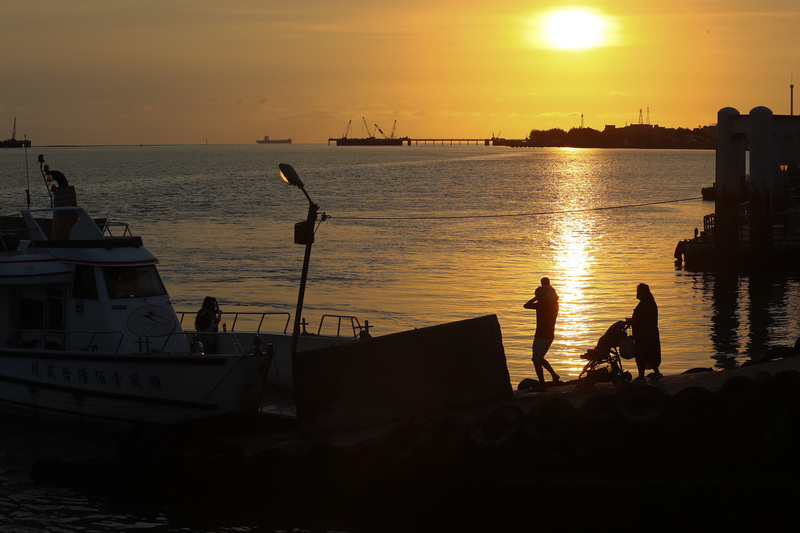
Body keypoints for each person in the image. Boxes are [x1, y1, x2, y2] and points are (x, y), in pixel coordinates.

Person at [523, 277, 561, 384]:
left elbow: (526, 305)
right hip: (548, 335)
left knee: (536, 360)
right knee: (539, 358)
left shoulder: (543, 304)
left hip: (542, 336)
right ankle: (554, 376)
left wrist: (536, 297)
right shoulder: (553, 304)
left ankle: (542, 383)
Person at [627, 283, 662, 381]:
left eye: (638, 292)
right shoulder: (651, 303)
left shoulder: (643, 305)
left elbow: (638, 320)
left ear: (642, 293)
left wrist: (630, 321)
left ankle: (641, 376)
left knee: (641, 354)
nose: (637, 294)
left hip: (643, 335)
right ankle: (657, 373)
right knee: (651, 354)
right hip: (651, 333)